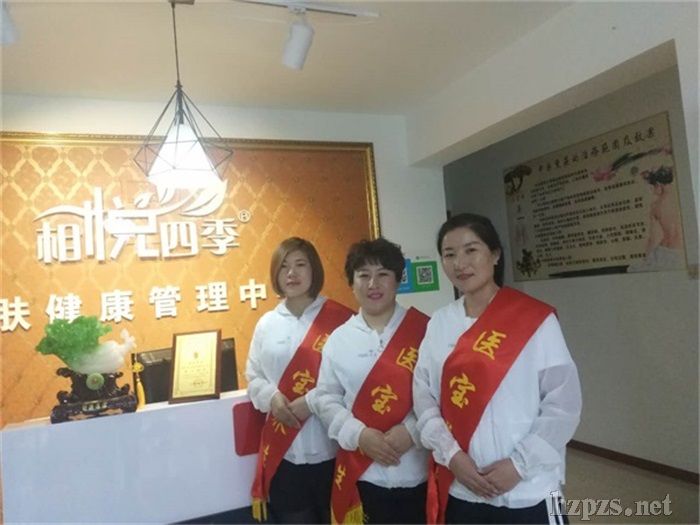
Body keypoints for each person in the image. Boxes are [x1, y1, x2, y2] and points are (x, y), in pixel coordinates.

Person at [413, 213, 582, 524]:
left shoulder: (535, 319)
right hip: (464, 486)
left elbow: (563, 404)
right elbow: (424, 395)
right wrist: (452, 456)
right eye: (449, 254)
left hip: (531, 487)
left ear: (495, 254)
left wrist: (519, 465)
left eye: (471, 250)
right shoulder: (439, 323)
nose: (460, 263)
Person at [309, 238, 430, 524]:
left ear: (398, 279)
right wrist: (359, 435)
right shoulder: (339, 339)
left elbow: (439, 394)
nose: (373, 284)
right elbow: (326, 398)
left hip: (421, 472)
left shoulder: (426, 330)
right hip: (364, 475)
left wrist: (412, 431)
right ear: (352, 283)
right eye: (363, 275)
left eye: (383, 274)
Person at [246, 237, 354, 524]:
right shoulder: (267, 324)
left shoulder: (342, 319)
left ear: (313, 269)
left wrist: (312, 401)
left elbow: (354, 377)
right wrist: (271, 398)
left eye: (300, 265)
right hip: (285, 453)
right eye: (284, 267)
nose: (291, 273)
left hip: (333, 448)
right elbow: (253, 375)